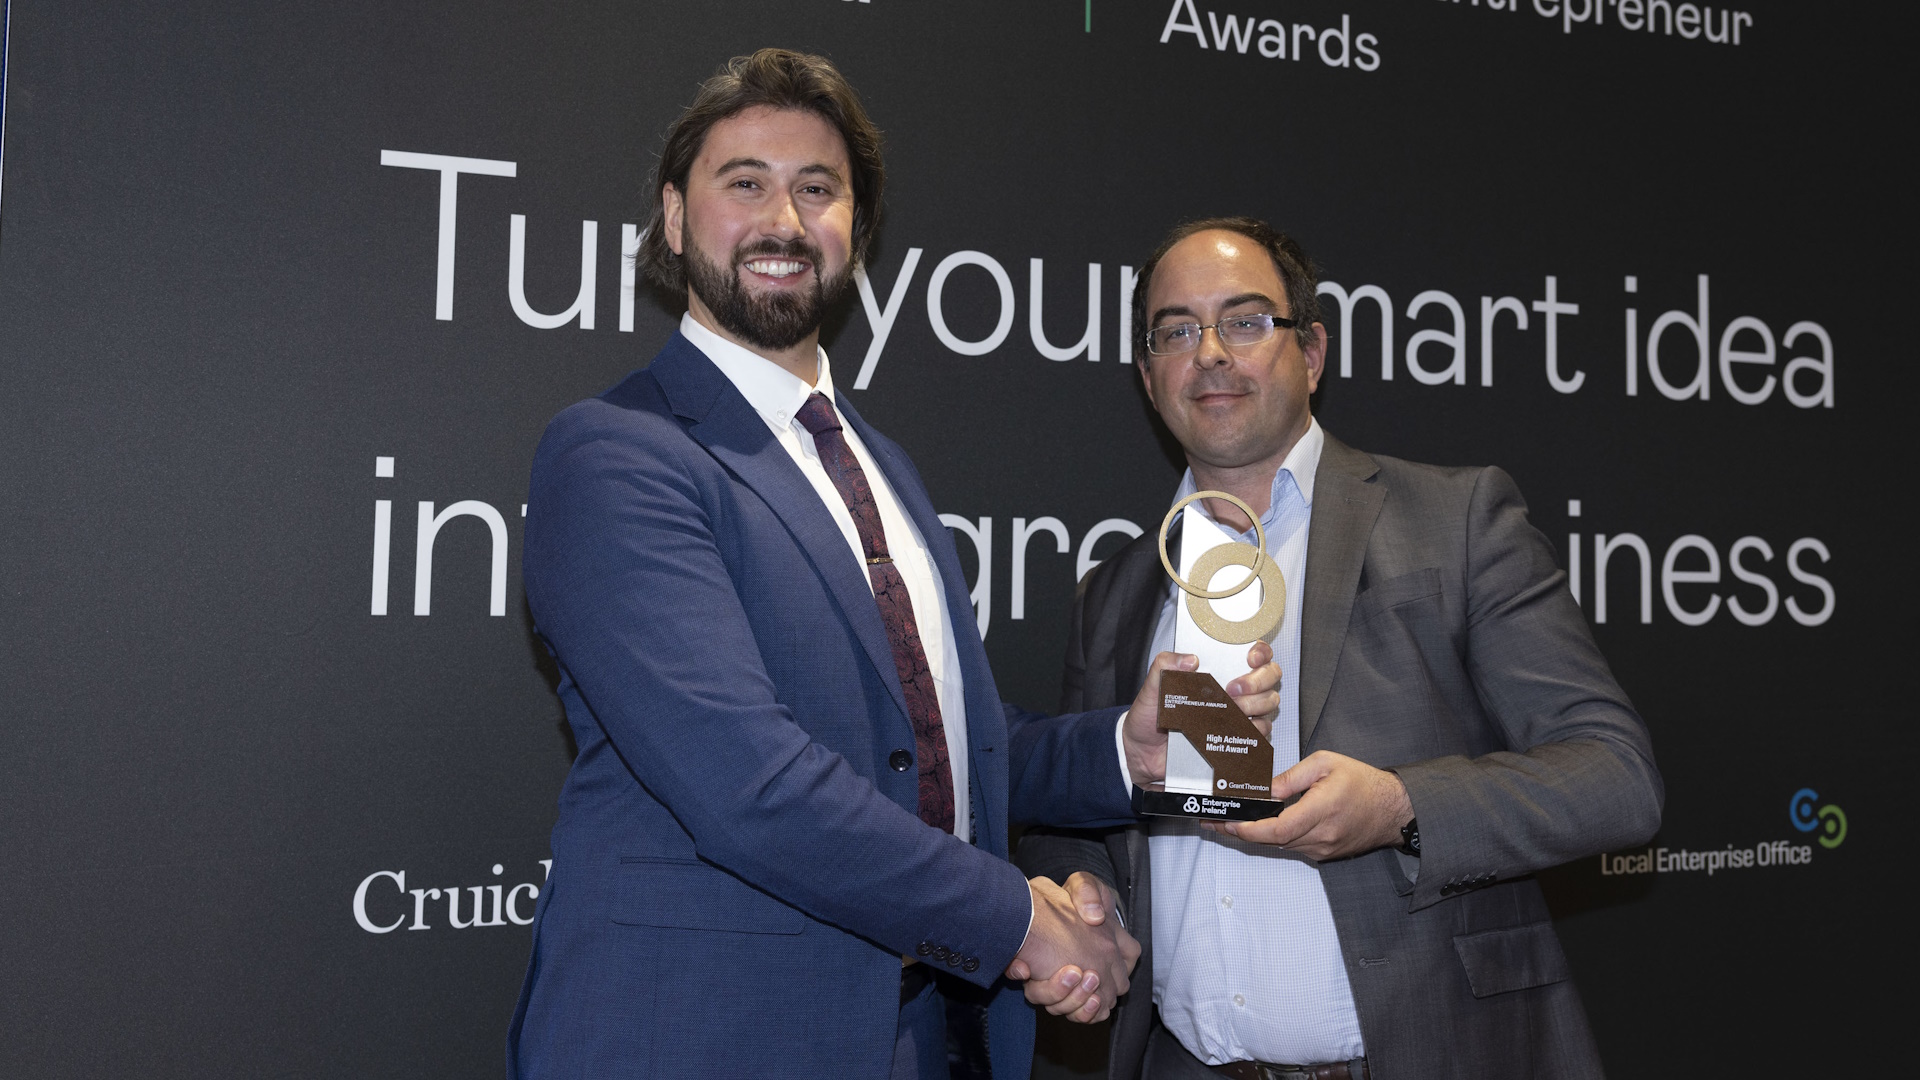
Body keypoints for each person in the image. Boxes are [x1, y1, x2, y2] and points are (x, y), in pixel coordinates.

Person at [504, 52, 1280, 1080]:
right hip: (704, 1039)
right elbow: (750, 781)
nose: (784, 217)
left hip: (918, 1037)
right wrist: (1024, 923)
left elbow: (940, 743)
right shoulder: (617, 452)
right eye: (745, 181)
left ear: (855, 234)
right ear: (675, 218)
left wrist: (1122, 753)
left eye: (818, 188)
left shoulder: (879, 462)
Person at [1018, 217, 1664, 1080]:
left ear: (1312, 352)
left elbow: (1616, 779)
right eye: (1176, 331)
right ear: (1148, 375)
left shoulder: (1458, 519)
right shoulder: (1117, 591)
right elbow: (1079, 816)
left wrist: (1402, 806)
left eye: (1245, 321)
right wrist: (1080, 892)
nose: (1209, 352)